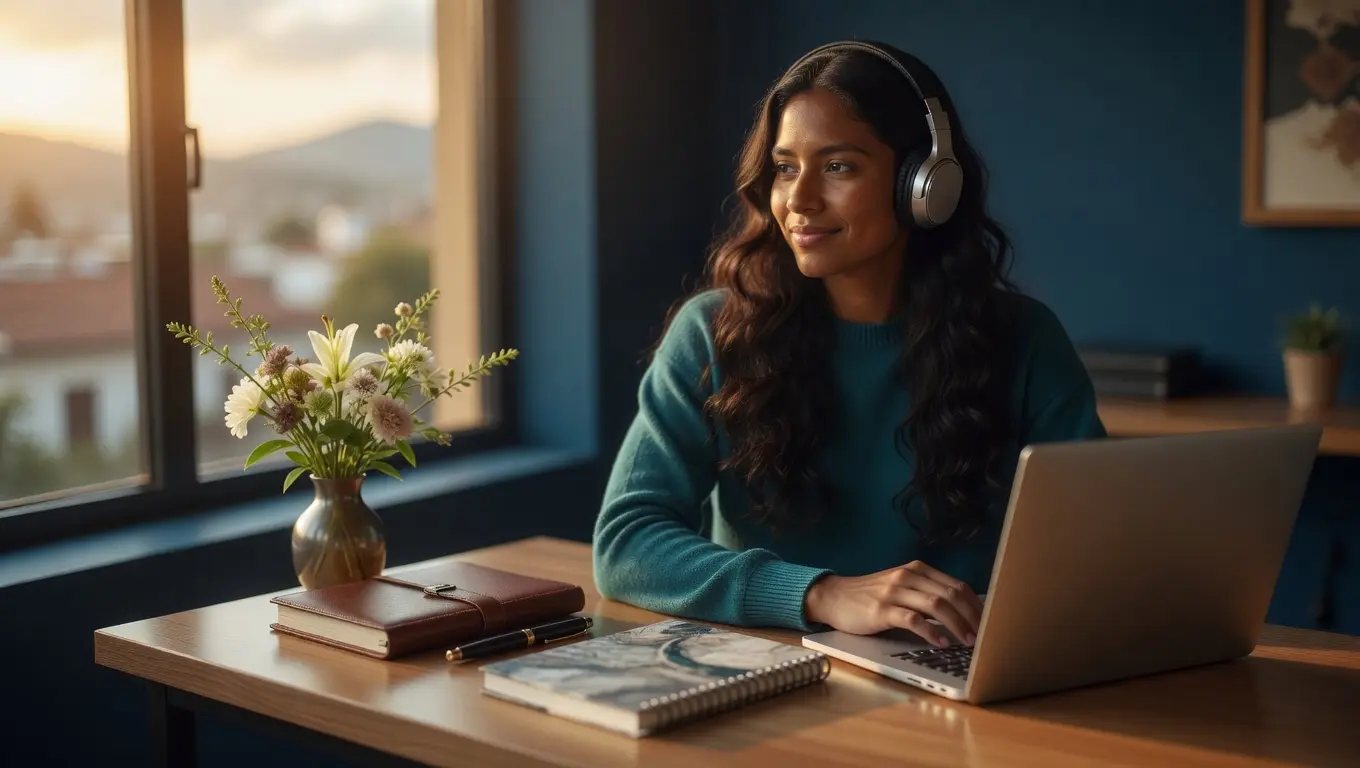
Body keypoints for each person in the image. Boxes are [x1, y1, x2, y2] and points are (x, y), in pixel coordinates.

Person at [592, 40, 1105, 649]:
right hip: (769, 667)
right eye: (785, 167)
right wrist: (822, 593)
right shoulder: (712, 332)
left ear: (924, 185)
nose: (800, 200)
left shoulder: (1025, 339)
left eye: (838, 166)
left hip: (954, 671)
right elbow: (627, 543)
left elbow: (1095, 549)